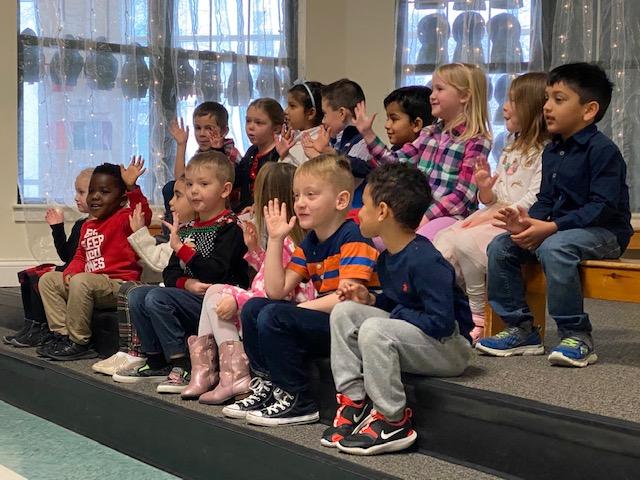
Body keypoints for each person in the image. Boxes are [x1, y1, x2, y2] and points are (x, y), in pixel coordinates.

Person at [476, 63, 633, 368]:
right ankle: (522, 330)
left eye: (559, 99)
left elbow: (601, 207)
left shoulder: (603, 151)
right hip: (561, 230)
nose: (547, 106)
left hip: (605, 233)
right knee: (501, 246)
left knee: (554, 247)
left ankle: (576, 334)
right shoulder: (552, 150)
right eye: (547, 98)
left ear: (588, 111)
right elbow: (546, 199)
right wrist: (526, 223)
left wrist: (551, 227)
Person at [323, 163, 473, 455]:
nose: (358, 213)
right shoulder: (387, 257)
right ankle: (354, 402)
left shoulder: (426, 260)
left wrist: (393, 314)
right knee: (344, 311)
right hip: (422, 336)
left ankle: (392, 420)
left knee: (374, 329)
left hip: (451, 348)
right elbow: (399, 304)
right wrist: (371, 300)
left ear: (382, 211)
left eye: (364, 204)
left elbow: (441, 323)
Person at [222, 154, 379, 426]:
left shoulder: (353, 237)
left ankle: (298, 398)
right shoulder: (310, 243)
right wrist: (275, 239)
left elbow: (348, 300)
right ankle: (268, 385)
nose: (300, 203)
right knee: (254, 308)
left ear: (341, 200)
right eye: (296, 196)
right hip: (324, 319)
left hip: (348, 326)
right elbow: (276, 290)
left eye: (311, 195)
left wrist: (300, 309)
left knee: (274, 315)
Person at [113, 151, 248, 390]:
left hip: (220, 304)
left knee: (156, 297)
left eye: (203, 184)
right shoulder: (187, 228)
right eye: (191, 184)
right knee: (137, 295)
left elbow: (216, 272)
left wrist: (182, 250)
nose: (194, 191)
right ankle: (157, 360)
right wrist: (186, 283)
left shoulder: (231, 227)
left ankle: (184, 364)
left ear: (225, 190)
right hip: (191, 296)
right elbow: (170, 273)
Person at [182, 162, 315, 404]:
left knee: (217, 294)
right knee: (216, 292)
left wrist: (237, 299)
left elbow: (275, 290)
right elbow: (270, 272)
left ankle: (231, 374)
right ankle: (208, 371)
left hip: (278, 308)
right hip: (269, 302)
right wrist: (254, 250)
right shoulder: (287, 240)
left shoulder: (288, 242)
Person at [434, 72, 548, 342]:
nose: (504, 107)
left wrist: (493, 213)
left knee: (464, 242)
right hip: (495, 212)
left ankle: (477, 315)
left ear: (531, 108)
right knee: (444, 241)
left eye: (512, 101)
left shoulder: (545, 151)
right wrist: (485, 188)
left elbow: (533, 197)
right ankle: (450, 311)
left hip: (517, 219)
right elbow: (494, 196)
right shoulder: (510, 146)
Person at [355, 63, 492, 240]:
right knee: (377, 240)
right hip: (417, 212)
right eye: (432, 89)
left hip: (450, 217)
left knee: (416, 243)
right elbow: (397, 162)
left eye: (439, 89)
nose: (432, 96)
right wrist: (368, 134)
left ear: (464, 96)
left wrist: (426, 216)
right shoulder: (429, 133)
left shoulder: (476, 141)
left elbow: (463, 195)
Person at [37, 158, 152, 361]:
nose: (95, 197)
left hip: (118, 285)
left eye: (104, 192)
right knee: (48, 280)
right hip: (90, 284)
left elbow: (142, 213)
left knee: (81, 281)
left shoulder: (123, 219)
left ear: (121, 199)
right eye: (91, 191)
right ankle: (62, 334)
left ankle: (79, 342)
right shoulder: (87, 226)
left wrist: (132, 187)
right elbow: (80, 255)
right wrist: (70, 271)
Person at [91, 176, 195, 376]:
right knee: (134, 292)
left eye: (177, 195)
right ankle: (138, 353)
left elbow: (160, 261)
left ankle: (163, 358)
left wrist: (139, 231)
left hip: (190, 294)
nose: (171, 202)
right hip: (178, 287)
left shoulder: (191, 232)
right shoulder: (184, 229)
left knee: (138, 291)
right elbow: (167, 265)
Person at [4, 168, 93, 348]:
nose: (76, 197)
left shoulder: (98, 226)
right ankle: (32, 324)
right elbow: (66, 255)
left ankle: (42, 327)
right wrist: (57, 228)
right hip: (71, 267)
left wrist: (60, 269)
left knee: (40, 276)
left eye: (81, 192)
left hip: (82, 273)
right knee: (29, 274)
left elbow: (84, 260)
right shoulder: (80, 224)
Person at [165, 102, 241, 226]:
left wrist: (217, 150)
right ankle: (173, 228)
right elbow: (181, 179)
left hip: (224, 206)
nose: (201, 134)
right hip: (201, 207)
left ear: (224, 131)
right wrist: (181, 145)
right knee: (170, 188)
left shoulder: (230, 152)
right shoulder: (200, 154)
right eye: (198, 128)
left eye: (209, 128)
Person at [301, 79, 372, 208]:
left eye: (325, 114)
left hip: (353, 211)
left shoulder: (362, 143)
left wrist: (324, 154)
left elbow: (342, 181)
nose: (323, 121)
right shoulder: (336, 140)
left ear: (341, 113)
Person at [233, 98, 284, 212]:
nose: (250, 127)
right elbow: (235, 179)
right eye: (248, 121)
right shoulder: (252, 151)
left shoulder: (278, 154)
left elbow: (278, 190)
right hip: (246, 210)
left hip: (268, 211)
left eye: (258, 123)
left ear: (276, 128)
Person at [276, 81, 324, 166]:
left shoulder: (315, 145)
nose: (285, 111)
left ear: (310, 113)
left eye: (292, 106)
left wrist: (286, 156)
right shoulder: (294, 139)